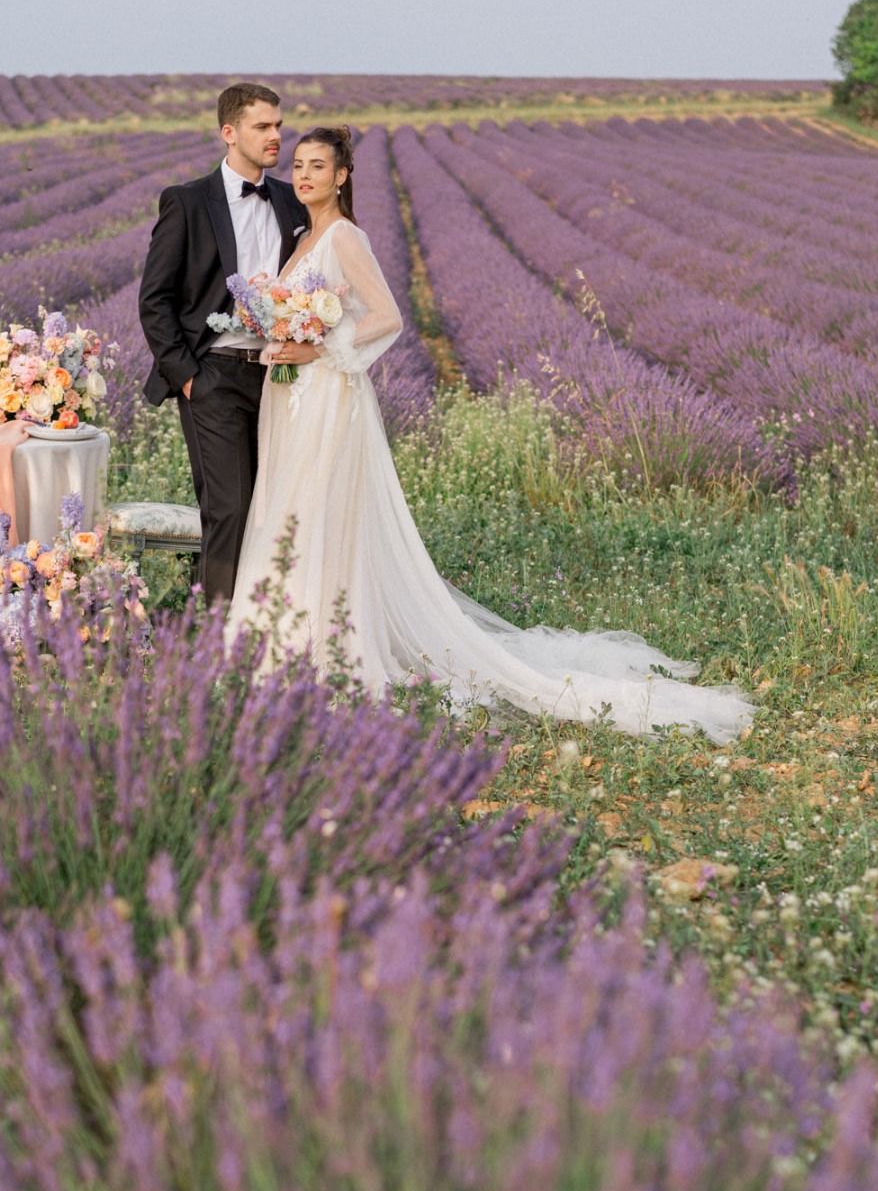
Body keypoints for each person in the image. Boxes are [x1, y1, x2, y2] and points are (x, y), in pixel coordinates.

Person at [227, 125, 754, 743]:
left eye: (319, 165)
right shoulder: (303, 237)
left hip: (326, 396)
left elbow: (388, 316)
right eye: (300, 164)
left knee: (316, 513)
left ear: (343, 177)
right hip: (293, 401)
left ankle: (318, 644)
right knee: (288, 509)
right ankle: (280, 638)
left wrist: (317, 352)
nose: (306, 174)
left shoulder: (343, 235)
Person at [138, 83, 308, 603]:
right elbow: (155, 299)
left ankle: (269, 626)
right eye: (263, 126)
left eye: (278, 125)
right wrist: (188, 377)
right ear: (229, 133)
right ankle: (217, 637)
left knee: (276, 506)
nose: (276, 136)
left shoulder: (292, 199)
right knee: (229, 507)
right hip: (214, 375)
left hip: (284, 376)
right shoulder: (188, 202)